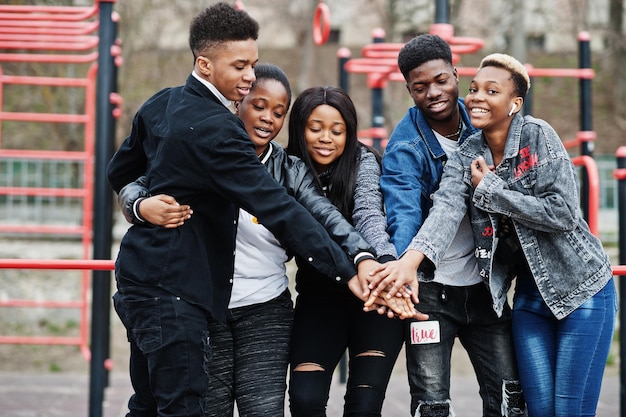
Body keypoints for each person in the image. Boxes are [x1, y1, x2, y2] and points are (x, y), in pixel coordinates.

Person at [106, 4, 383, 416]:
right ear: (204, 63)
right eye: (240, 66)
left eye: (252, 63)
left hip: (139, 281)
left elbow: (120, 170)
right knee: (181, 406)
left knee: (148, 405)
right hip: (174, 292)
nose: (250, 76)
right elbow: (278, 208)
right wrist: (346, 270)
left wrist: (140, 203)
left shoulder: (162, 102)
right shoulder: (221, 132)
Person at [369, 52, 617, 417]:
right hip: (531, 297)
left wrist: (492, 189)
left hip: (580, 287)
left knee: (567, 410)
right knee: (536, 409)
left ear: (514, 102)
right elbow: (447, 208)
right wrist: (409, 261)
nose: (477, 98)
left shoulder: (538, 136)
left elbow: (563, 213)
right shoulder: (468, 152)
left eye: (491, 90)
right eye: (474, 89)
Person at [377, 34, 525, 417]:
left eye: (441, 80)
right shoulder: (404, 148)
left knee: (510, 397)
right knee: (431, 404)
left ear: (456, 74)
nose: (433, 93)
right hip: (431, 294)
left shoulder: (486, 121)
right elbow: (404, 211)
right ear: (409, 90)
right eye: (420, 87)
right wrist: (408, 266)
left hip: (484, 287)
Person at [285, 86, 422, 417]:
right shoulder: (285, 169)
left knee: (364, 406)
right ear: (299, 128)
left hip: (374, 297)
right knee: (304, 401)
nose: (325, 138)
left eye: (337, 130)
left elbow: (369, 216)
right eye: (315, 128)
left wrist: (388, 267)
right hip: (319, 298)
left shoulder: (364, 161)